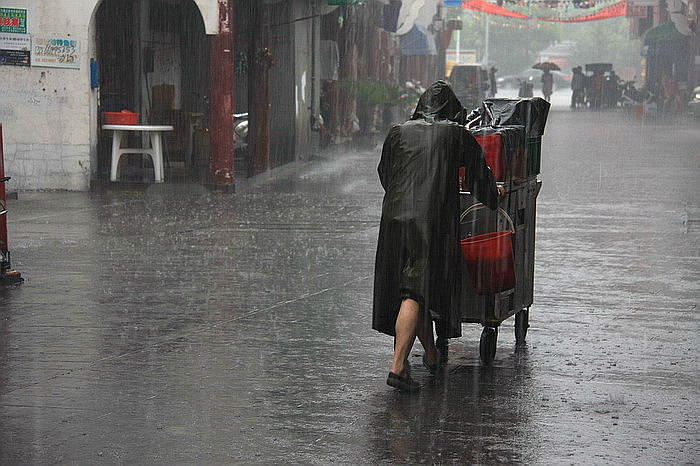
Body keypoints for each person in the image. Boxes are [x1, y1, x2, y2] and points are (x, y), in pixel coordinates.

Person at [373, 81, 501, 392]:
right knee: (414, 292)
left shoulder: (398, 131)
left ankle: (430, 354)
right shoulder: (456, 134)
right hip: (428, 220)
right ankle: (398, 366)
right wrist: (493, 197)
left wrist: (403, 199)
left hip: (394, 217)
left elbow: (385, 173)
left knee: (414, 285)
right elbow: (477, 176)